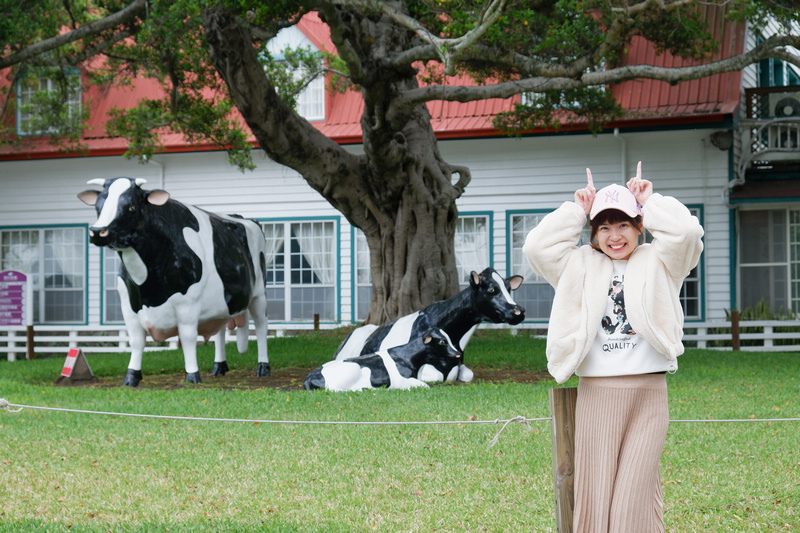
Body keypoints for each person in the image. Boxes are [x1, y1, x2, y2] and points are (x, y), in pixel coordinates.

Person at [523, 162, 703, 533]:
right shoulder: (577, 264)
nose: (614, 235)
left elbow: (686, 233)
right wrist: (576, 210)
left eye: (623, 224)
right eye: (604, 226)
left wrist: (649, 202)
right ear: (594, 232)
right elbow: (536, 247)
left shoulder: (662, 261)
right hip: (598, 393)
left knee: (632, 502)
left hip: (648, 395)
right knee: (597, 497)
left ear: (639, 226)